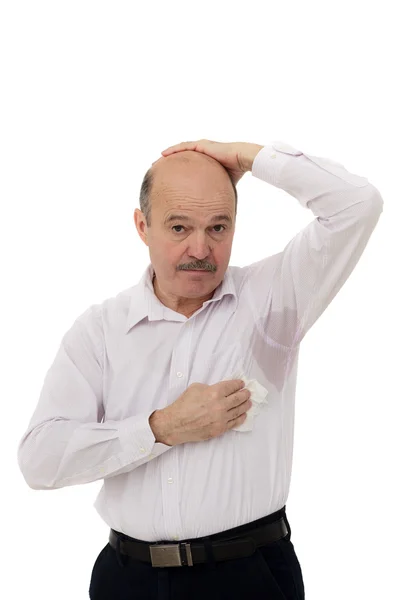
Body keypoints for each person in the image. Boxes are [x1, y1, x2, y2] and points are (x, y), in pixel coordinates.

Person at [17, 138, 384, 599]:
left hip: (249, 578)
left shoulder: (274, 299)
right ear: (142, 225)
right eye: (178, 227)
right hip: (126, 578)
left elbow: (358, 203)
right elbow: (39, 460)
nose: (200, 249)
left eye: (218, 227)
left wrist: (248, 158)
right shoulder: (100, 331)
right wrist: (162, 428)